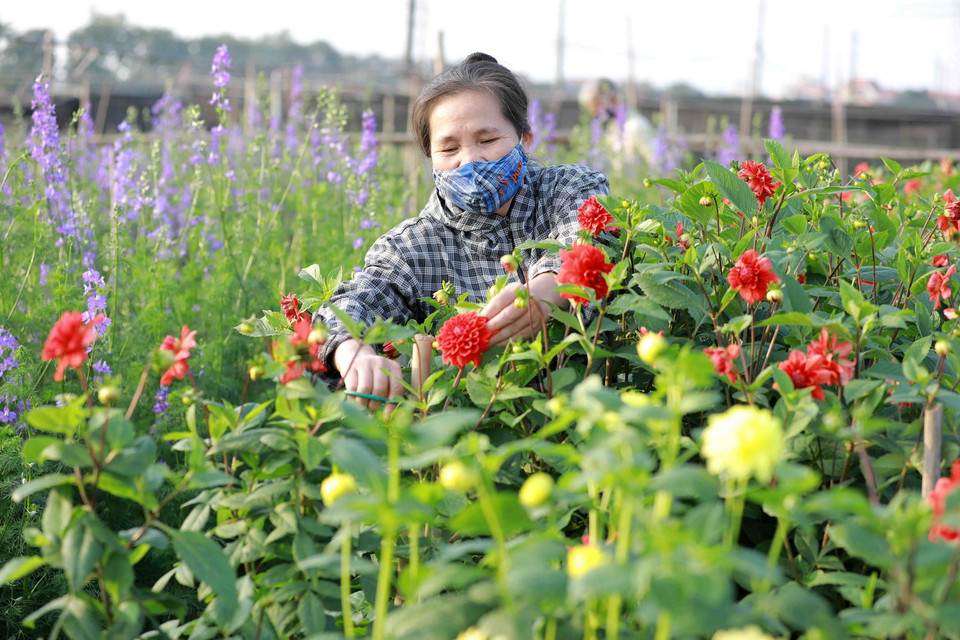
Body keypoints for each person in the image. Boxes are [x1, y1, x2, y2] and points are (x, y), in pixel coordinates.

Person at [316, 53, 610, 411]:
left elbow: (585, 234)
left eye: (487, 140)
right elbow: (356, 301)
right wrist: (352, 351)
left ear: (525, 139)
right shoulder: (412, 247)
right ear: (430, 156)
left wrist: (549, 288)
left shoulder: (566, 188)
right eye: (449, 148)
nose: (469, 159)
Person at [578, 77, 655, 168]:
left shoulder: (636, 126)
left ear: (613, 99)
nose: (594, 114)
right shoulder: (608, 129)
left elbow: (655, 163)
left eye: (596, 107)